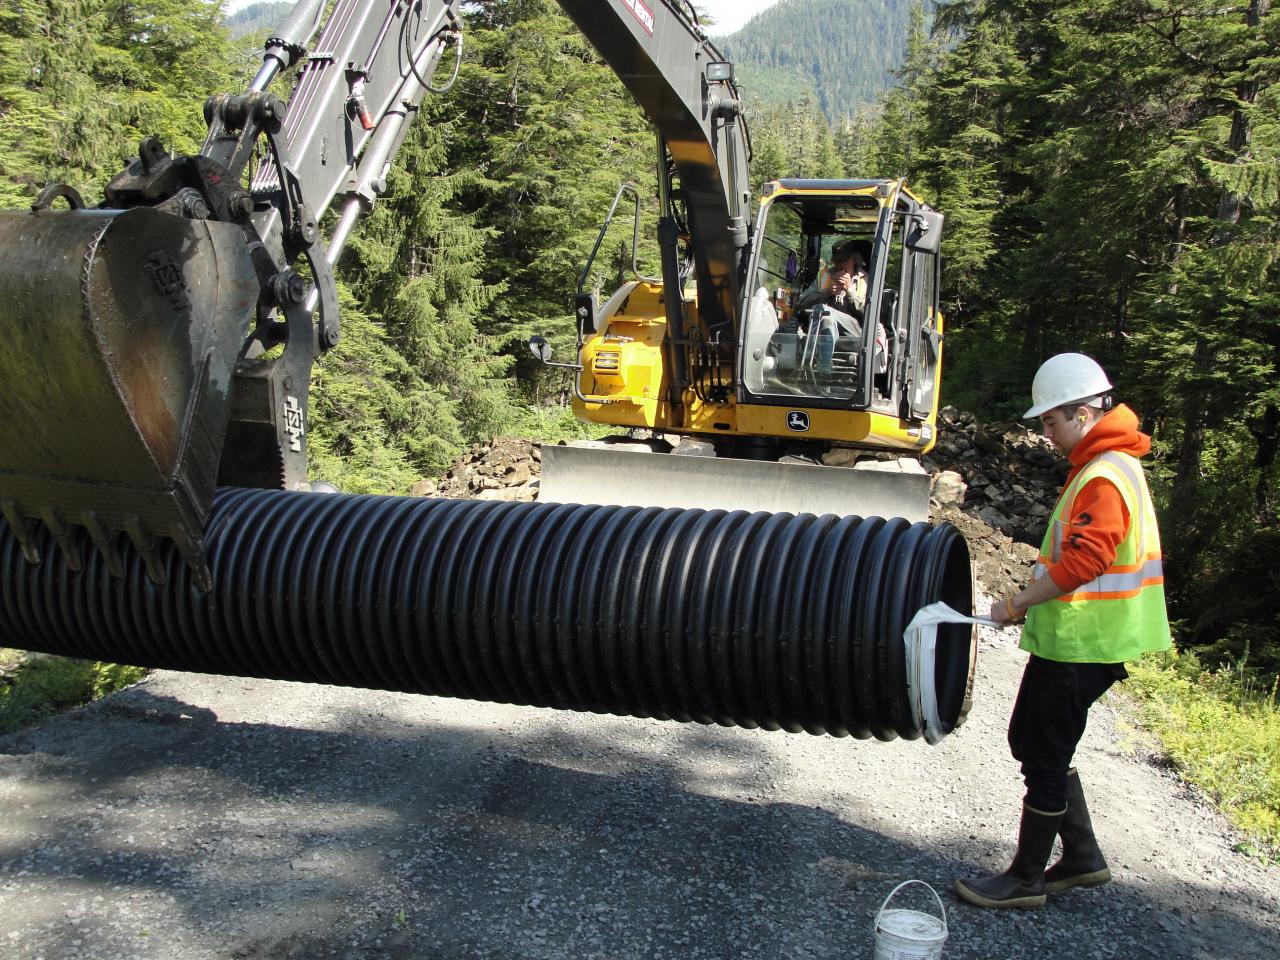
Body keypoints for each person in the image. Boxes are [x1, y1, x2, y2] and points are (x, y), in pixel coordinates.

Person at [955, 353, 1171, 910]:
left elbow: (1085, 563)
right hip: (1078, 640)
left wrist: (1015, 603)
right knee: (1029, 738)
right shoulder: (1106, 464)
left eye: (1050, 422)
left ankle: (1026, 879)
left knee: (1044, 752)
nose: (1046, 434)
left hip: (1085, 642)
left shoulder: (1104, 474)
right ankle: (1081, 856)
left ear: (1081, 412)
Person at [795, 238, 872, 372]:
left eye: (844, 261)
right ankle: (824, 369)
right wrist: (827, 292)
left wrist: (850, 291)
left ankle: (811, 357)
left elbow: (870, 315)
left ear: (853, 259)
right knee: (827, 319)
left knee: (824, 311)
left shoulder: (866, 279)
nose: (840, 265)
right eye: (837, 261)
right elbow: (801, 303)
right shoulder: (825, 275)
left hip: (855, 332)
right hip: (826, 329)